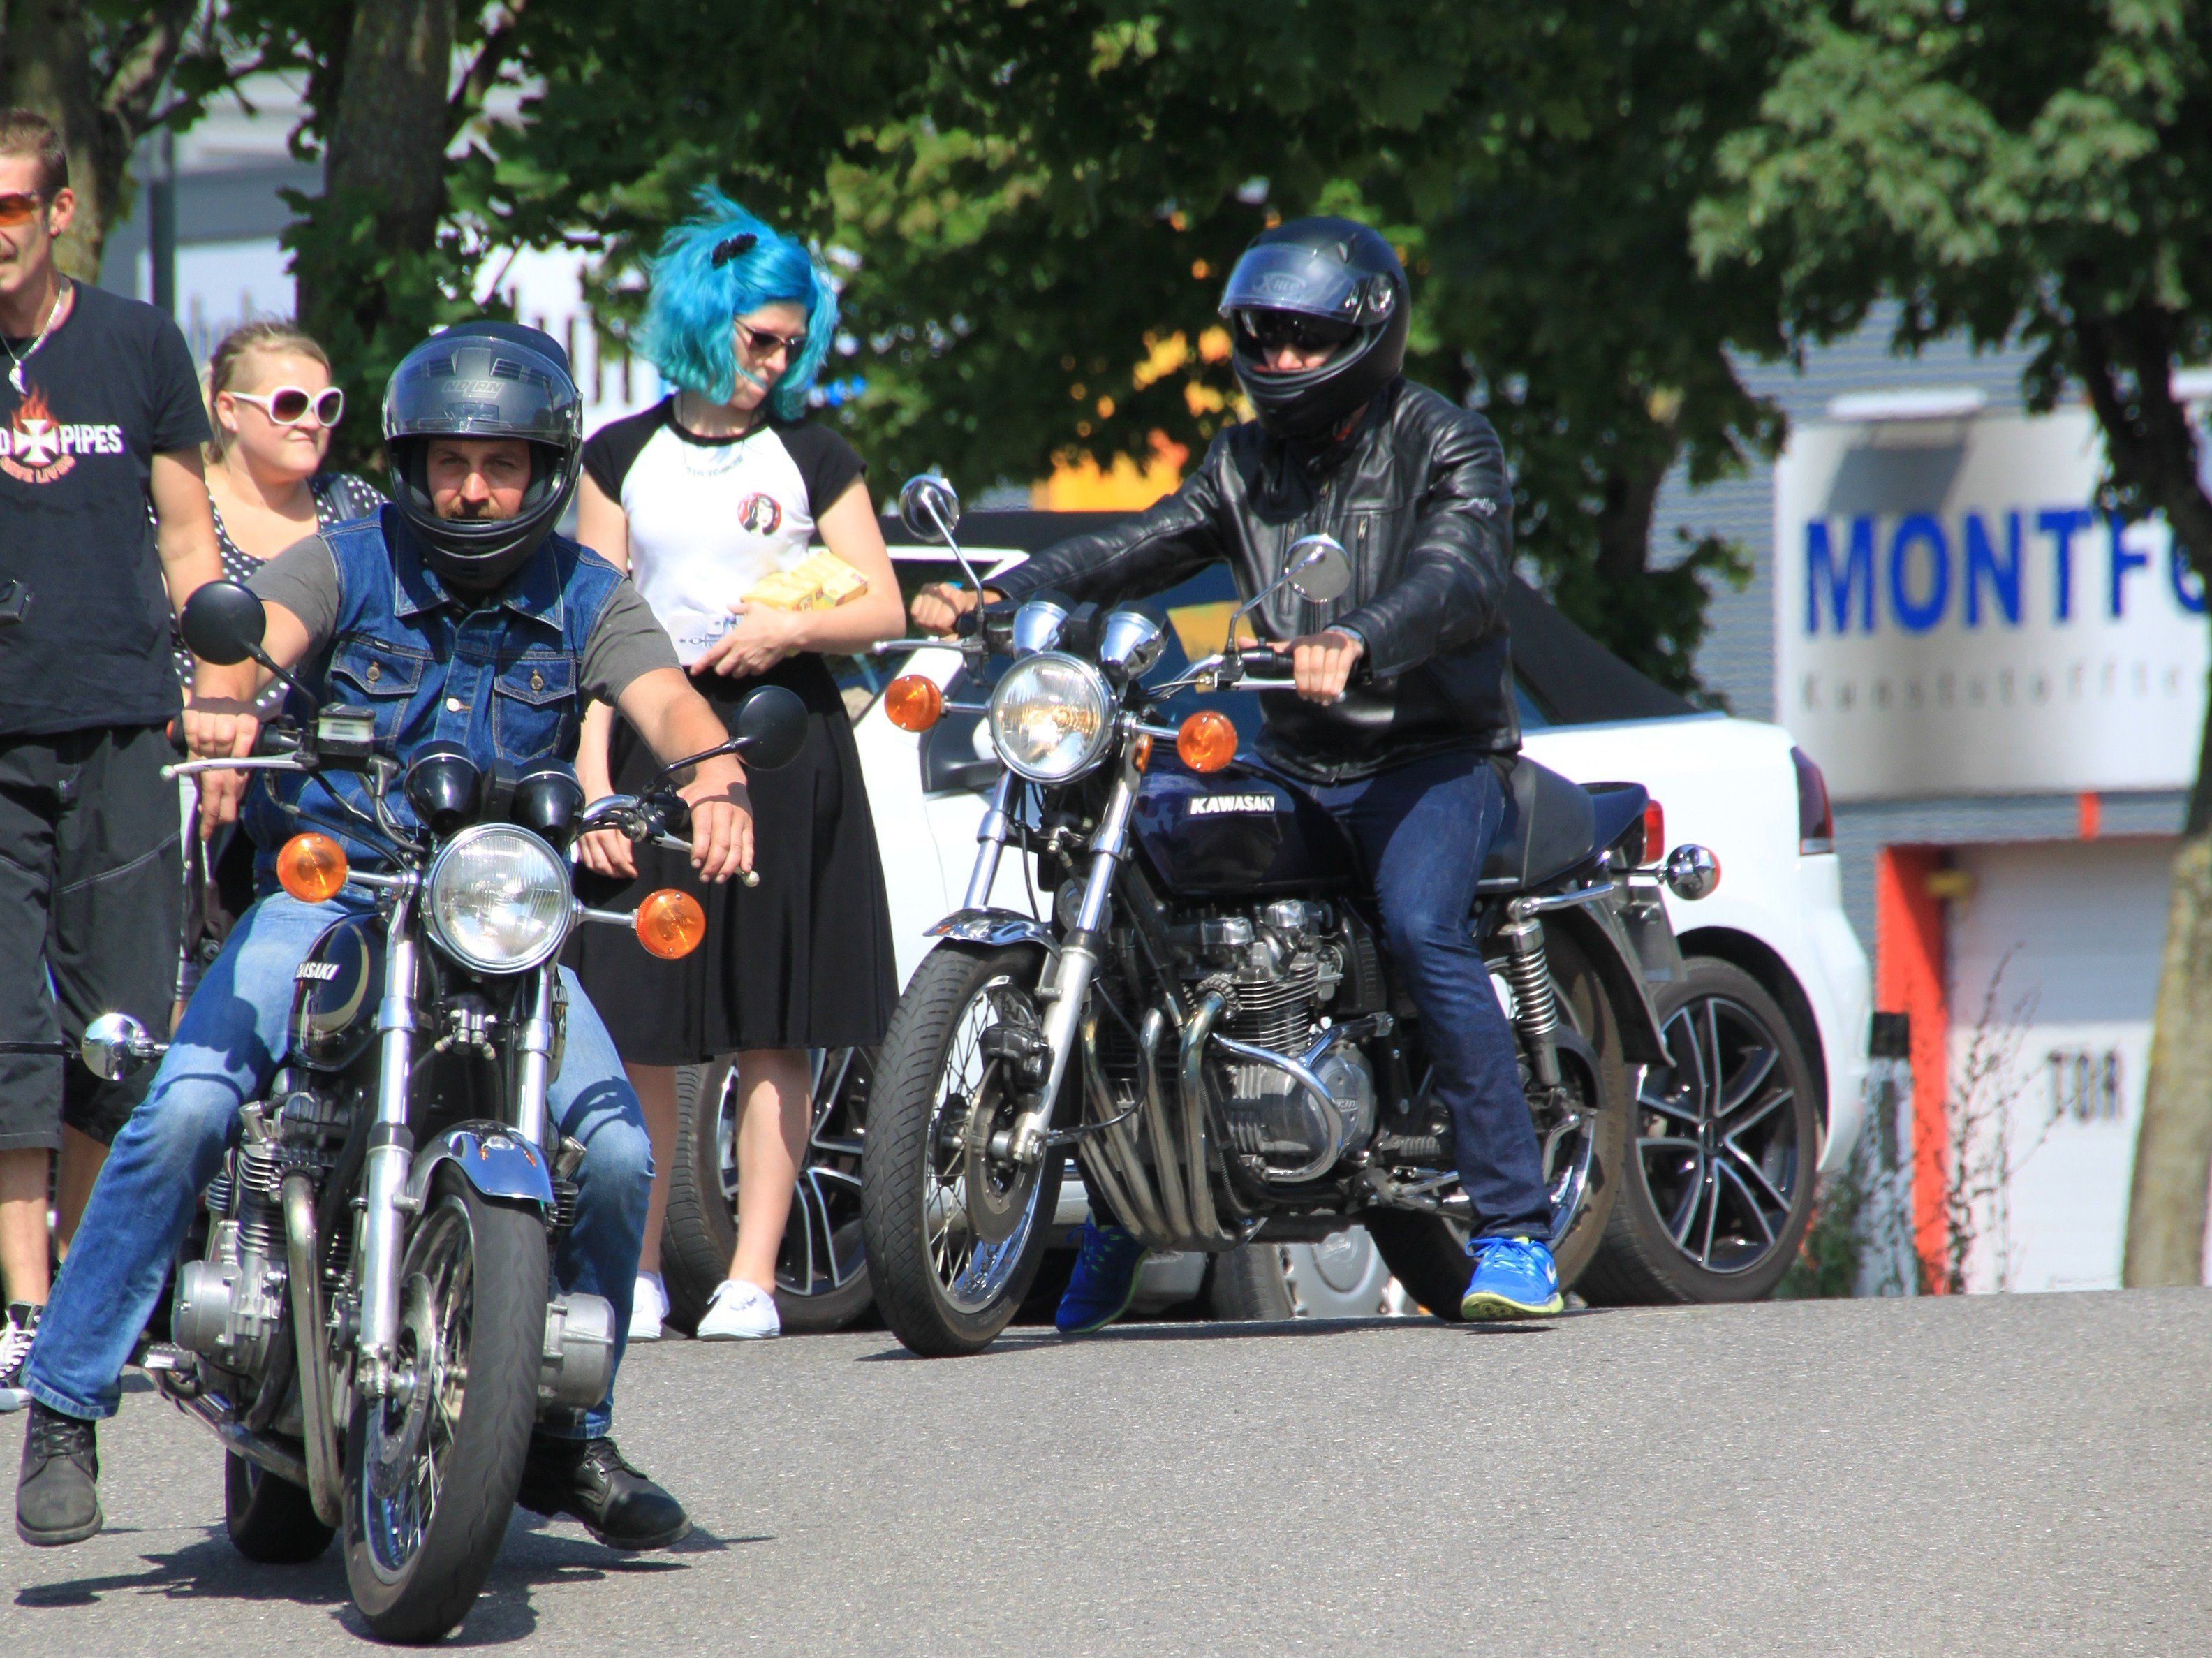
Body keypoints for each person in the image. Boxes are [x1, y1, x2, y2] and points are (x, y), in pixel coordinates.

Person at [13, 322, 751, 1552]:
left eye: (501, 464)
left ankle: (570, 1431)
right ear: (413, 466)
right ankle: (68, 1401)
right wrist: (226, 708)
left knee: (621, 1153)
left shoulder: (585, 592)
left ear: (544, 471)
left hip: (496, 918)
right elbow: (260, 633)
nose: (474, 489)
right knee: (189, 1104)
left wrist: (716, 778)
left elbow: (665, 696)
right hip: (335, 893)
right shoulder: (350, 560)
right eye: (451, 462)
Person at [912, 217, 1559, 1332]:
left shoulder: (1447, 442)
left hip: (1431, 756)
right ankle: (1135, 1200)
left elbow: (1459, 574)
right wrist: (1003, 593)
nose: (1282, 357)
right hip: (1299, 756)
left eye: (1304, 338)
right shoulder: (1244, 462)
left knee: (1422, 927)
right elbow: (1140, 543)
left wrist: (1359, 636)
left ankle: (1516, 1230)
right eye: (1264, 337)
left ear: (1365, 333)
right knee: (1139, 907)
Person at [568, 192, 901, 1343]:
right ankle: (638, 1265)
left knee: (776, 1017)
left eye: (795, 341)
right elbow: (591, 626)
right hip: (653, 734)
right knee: (640, 1019)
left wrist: (789, 631)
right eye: (760, 337)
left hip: (783, 732)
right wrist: (592, 784)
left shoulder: (815, 452)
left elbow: (882, 599)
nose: (778, 361)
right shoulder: (619, 454)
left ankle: (753, 1273)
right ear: (705, 324)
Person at [0, 109, 224, 1405]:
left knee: (119, 1027)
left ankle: (91, 1293)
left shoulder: (137, 342)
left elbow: (189, 540)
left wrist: (226, 687)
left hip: (125, 719)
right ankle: (27, 1308)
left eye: (12, 208)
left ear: (60, 212)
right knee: (6, 1028)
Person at [175, 321, 383, 1010]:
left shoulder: (356, 507)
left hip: (322, 777)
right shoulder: (181, 506)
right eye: (290, 404)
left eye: (326, 406)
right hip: (195, 761)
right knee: (181, 967)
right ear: (228, 410)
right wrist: (203, 726)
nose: (311, 422)